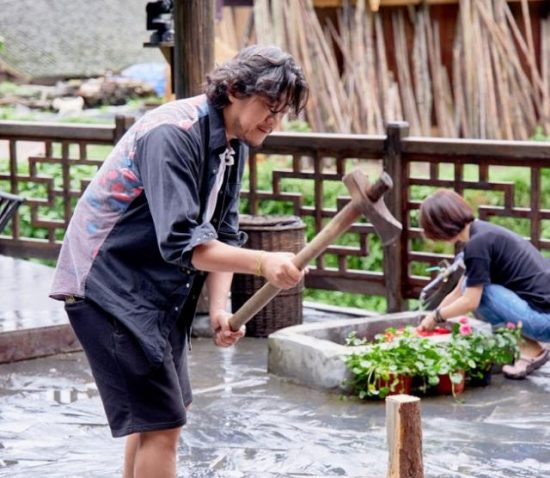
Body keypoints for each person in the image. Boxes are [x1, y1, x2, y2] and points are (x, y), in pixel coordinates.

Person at [49, 45, 309, 478]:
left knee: (158, 417)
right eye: (268, 106)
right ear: (233, 89)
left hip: (152, 287)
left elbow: (221, 233)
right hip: (107, 286)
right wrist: (263, 262)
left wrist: (223, 309)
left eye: (281, 111)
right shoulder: (173, 133)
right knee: (164, 423)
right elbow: (185, 244)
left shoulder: (232, 143)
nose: (274, 121)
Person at [418, 189, 550, 379]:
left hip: (543, 322)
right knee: (470, 288)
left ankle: (530, 349)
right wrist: (431, 317)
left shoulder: (477, 245)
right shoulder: (482, 234)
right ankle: (530, 349)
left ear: (441, 225)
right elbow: (457, 293)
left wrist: (437, 317)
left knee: (480, 294)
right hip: (542, 315)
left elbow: (469, 301)